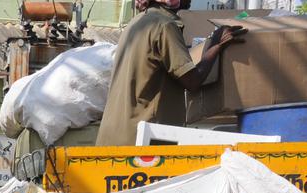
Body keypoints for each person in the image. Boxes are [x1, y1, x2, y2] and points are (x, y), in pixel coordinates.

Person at [96, 0, 245, 146]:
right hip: (140, 141)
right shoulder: (165, 26)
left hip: (115, 137)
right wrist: (216, 46)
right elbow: (192, 81)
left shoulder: (138, 22)